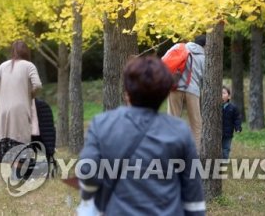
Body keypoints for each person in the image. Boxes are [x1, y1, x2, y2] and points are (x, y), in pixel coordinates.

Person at [76, 56, 205, 215]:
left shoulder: (102, 124)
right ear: (164, 94)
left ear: (127, 92)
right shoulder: (180, 131)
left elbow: (87, 172)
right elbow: (193, 199)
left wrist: (89, 196)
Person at [0, 40, 42, 164]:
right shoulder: (29, 66)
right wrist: (30, 95)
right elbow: (38, 85)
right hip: (20, 108)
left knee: (6, 138)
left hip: (3, 109)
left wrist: (1, 92)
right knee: (20, 138)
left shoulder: (3, 65)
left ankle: (13, 170)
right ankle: (19, 172)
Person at [166, 34, 206, 149]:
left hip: (175, 88)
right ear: (205, 45)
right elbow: (205, 77)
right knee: (196, 124)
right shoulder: (204, 58)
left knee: (172, 120)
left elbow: (165, 61)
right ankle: (194, 153)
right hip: (192, 91)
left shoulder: (179, 47)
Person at [221, 85, 241, 159]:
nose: (221, 95)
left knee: (226, 149)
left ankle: (224, 161)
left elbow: (237, 119)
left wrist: (238, 127)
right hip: (217, 133)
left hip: (228, 133)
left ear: (229, 96)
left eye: (223, 93)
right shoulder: (216, 107)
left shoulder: (233, 108)